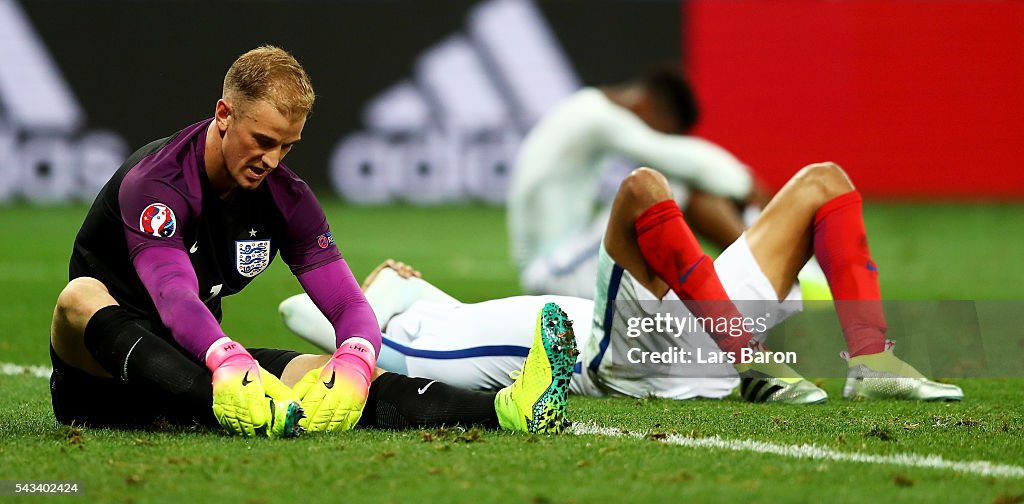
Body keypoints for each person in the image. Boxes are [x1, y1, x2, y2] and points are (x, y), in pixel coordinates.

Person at [48, 45, 576, 437]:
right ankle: (240, 402)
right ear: (224, 115)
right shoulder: (157, 183)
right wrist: (227, 359)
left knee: (320, 376)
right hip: (102, 378)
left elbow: (346, 301)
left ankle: (509, 408)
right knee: (79, 297)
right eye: (263, 141)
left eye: (287, 146)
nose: (272, 161)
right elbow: (174, 297)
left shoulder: (286, 198)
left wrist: (354, 357)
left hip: (198, 362)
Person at [282, 163, 963, 403]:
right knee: (641, 190)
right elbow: (303, 315)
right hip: (628, 356)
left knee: (824, 182)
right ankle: (748, 357)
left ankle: (869, 358)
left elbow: (398, 299)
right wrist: (371, 290)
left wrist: (390, 285)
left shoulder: (434, 314)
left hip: (694, 321)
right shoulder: (402, 346)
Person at [509, 67, 771, 299]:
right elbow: (673, 156)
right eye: (664, 131)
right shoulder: (596, 117)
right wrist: (744, 183)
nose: (660, 137)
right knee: (672, 186)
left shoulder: (586, 109)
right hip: (553, 274)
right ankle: (767, 270)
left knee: (666, 187)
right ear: (645, 104)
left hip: (562, 263)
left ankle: (762, 269)